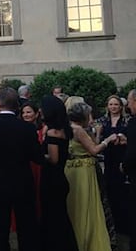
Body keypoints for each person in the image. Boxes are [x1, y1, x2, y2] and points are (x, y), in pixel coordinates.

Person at [0, 87, 43, 251]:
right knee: (26, 227)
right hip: (22, 183)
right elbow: (37, 157)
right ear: (17, 106)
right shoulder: (27, 128)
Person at [65, 101, 115, 251]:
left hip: (71, 169)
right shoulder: (78, 130)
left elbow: (88, 145)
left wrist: (97, 133)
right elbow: (94, 150)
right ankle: (88, 240)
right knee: (87, 206)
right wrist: (108, 139)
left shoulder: (68, 127)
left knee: (75, 205)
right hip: (84, 172)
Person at [39, 95, 78, 251]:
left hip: (52, 180)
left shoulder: (52, 132)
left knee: (54, 217)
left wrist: (37, 154)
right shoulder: (63, 130)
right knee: (59, 215)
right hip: (60, 178)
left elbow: (53, 158)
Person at [95, 94, 130, 234]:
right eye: (111, 104)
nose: (113, 107)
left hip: (122, 158)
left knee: (123, 192)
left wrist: (124, 139)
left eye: (116, 104)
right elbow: (96, 143)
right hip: (108, 159)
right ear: (107, 106)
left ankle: (124, 225)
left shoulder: (127, 121)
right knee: (109, 191)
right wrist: (99, 134)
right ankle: (112, 224)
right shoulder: (102, 122)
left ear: (121, 106)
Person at [122, 89, 136, 251]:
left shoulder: (133, 122)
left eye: (129, 101)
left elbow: (133, 153)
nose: (128, 105)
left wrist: (124, 166)